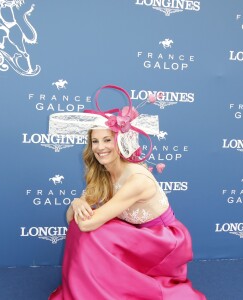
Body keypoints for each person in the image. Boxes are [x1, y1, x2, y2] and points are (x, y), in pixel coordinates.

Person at [48, 85, 206, 300]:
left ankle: (99, 292)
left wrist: (80, 208)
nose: (100, 147)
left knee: (91, 232)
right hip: (136, 236)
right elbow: (72, 220)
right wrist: (77, 203)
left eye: (107, 140)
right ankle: (90, 290)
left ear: (120, 141)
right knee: (84, 227)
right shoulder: (104, 173)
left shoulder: (136, 179)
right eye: (95, 141)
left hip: (164, 241)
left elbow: (86, 224)